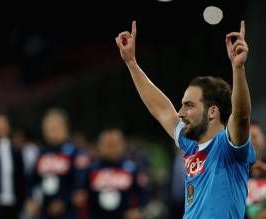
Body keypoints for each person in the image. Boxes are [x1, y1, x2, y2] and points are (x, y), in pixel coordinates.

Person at [115, 20, 256, 218]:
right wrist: (131, 63)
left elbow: (241, 115)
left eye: (189, 105)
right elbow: (162, 110)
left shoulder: (229, 147)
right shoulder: (190, 144)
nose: (180, 113)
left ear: (212, 111)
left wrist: (238, 69)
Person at [25, 108, 90, 219]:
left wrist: (64, 201)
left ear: (65, 128)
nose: (51, 130)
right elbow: (31, 180)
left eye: (55, 126)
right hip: (44, 211)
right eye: (48, 127)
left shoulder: (76, 153)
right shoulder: (41, 153)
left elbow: (80, 184)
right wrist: (30, 198)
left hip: (69, 212)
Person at [82, 127, 148, 219]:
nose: (112, 148)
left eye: (115, 144)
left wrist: (138, 211)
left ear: (123, 144)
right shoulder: (91, 169)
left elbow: (143, 194)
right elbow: (81, 193)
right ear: (99, 145)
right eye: (108, 144)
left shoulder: (132, 168)